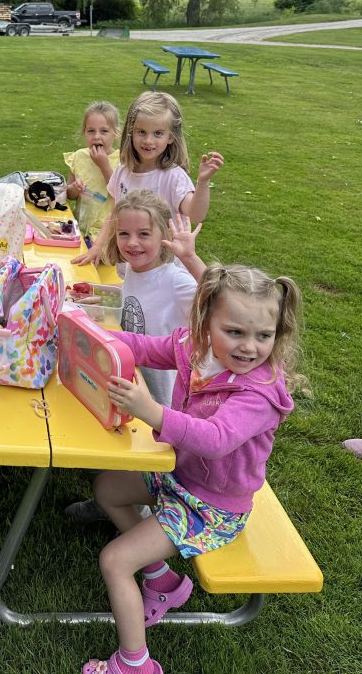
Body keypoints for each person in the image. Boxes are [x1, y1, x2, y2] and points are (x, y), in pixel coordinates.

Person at [81, 263, 302, 674]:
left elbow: (215, 439)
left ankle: (134, 663)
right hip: (179, 479)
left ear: (277, 334)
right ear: (205, 323)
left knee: (114, 561)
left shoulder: (259, 393)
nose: (249, 347)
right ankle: (162, 580)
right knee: (107, 489)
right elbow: (144, 348)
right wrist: (92, 336)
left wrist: (152, 412)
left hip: (213, 508)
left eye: (263, 335)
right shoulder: (195, 349)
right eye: (234, 331)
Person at [67, 197, 201, 524]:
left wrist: (192, 259)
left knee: (142, 454)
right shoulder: (133, 269)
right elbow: (133, 302)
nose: (132, 242)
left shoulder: (176, 280)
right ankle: (112, 496)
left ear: (163, 237)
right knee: (119, 435)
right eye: (124, 234)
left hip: (164, 393)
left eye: (143, 234)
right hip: (135, 377)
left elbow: (222, 299)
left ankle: (135, 513)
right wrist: (95, 300)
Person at [74, 91, 224, 267]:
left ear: (170, 137)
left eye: (158, 133)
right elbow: (114, 214)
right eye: (142, 132)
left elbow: (196, 214)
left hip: (167, 272)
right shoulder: (123, 172)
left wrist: (203, 182)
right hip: (131, 266)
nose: (148, 140)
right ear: (131, 132)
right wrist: (97, 247)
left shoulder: (173, 177)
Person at [64, 101, 120, 243]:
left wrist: (104, 165)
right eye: (91, 131)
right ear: (84, 132)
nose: (96, 136)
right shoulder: (79, 157)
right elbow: (69, 195)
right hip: (79, 228)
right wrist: (74, 189)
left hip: (105, 235)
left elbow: (120, 193)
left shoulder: (121, 161)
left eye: (104, 131)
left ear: (115, 134)